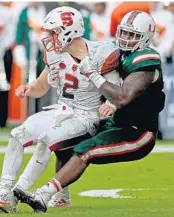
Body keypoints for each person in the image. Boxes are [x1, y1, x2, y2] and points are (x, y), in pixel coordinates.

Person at [13, 10, 165, 213]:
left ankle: (44, 194)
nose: (126, 39)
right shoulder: (116, 53)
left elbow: (122, 96)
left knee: (88, 149)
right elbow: (112, 87)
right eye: (124, 33)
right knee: (66, 136)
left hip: (139, 131)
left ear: (145, 37)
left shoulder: (146, 60)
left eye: (133, 35)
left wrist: (93, 75)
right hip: (114, 122)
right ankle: (61, 196)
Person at [0, 6, 120, 213]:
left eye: (53, 31)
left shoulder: (100, 52)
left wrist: (110, 105)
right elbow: (41, 86)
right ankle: (4, 190)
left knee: (47, 139)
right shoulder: (54, 54)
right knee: (17, 133)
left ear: (69, 31)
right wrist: (29, 89)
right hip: (61, 110)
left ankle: (18, 192)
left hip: (86, 116)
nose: (48, 36)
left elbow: (115, 88)